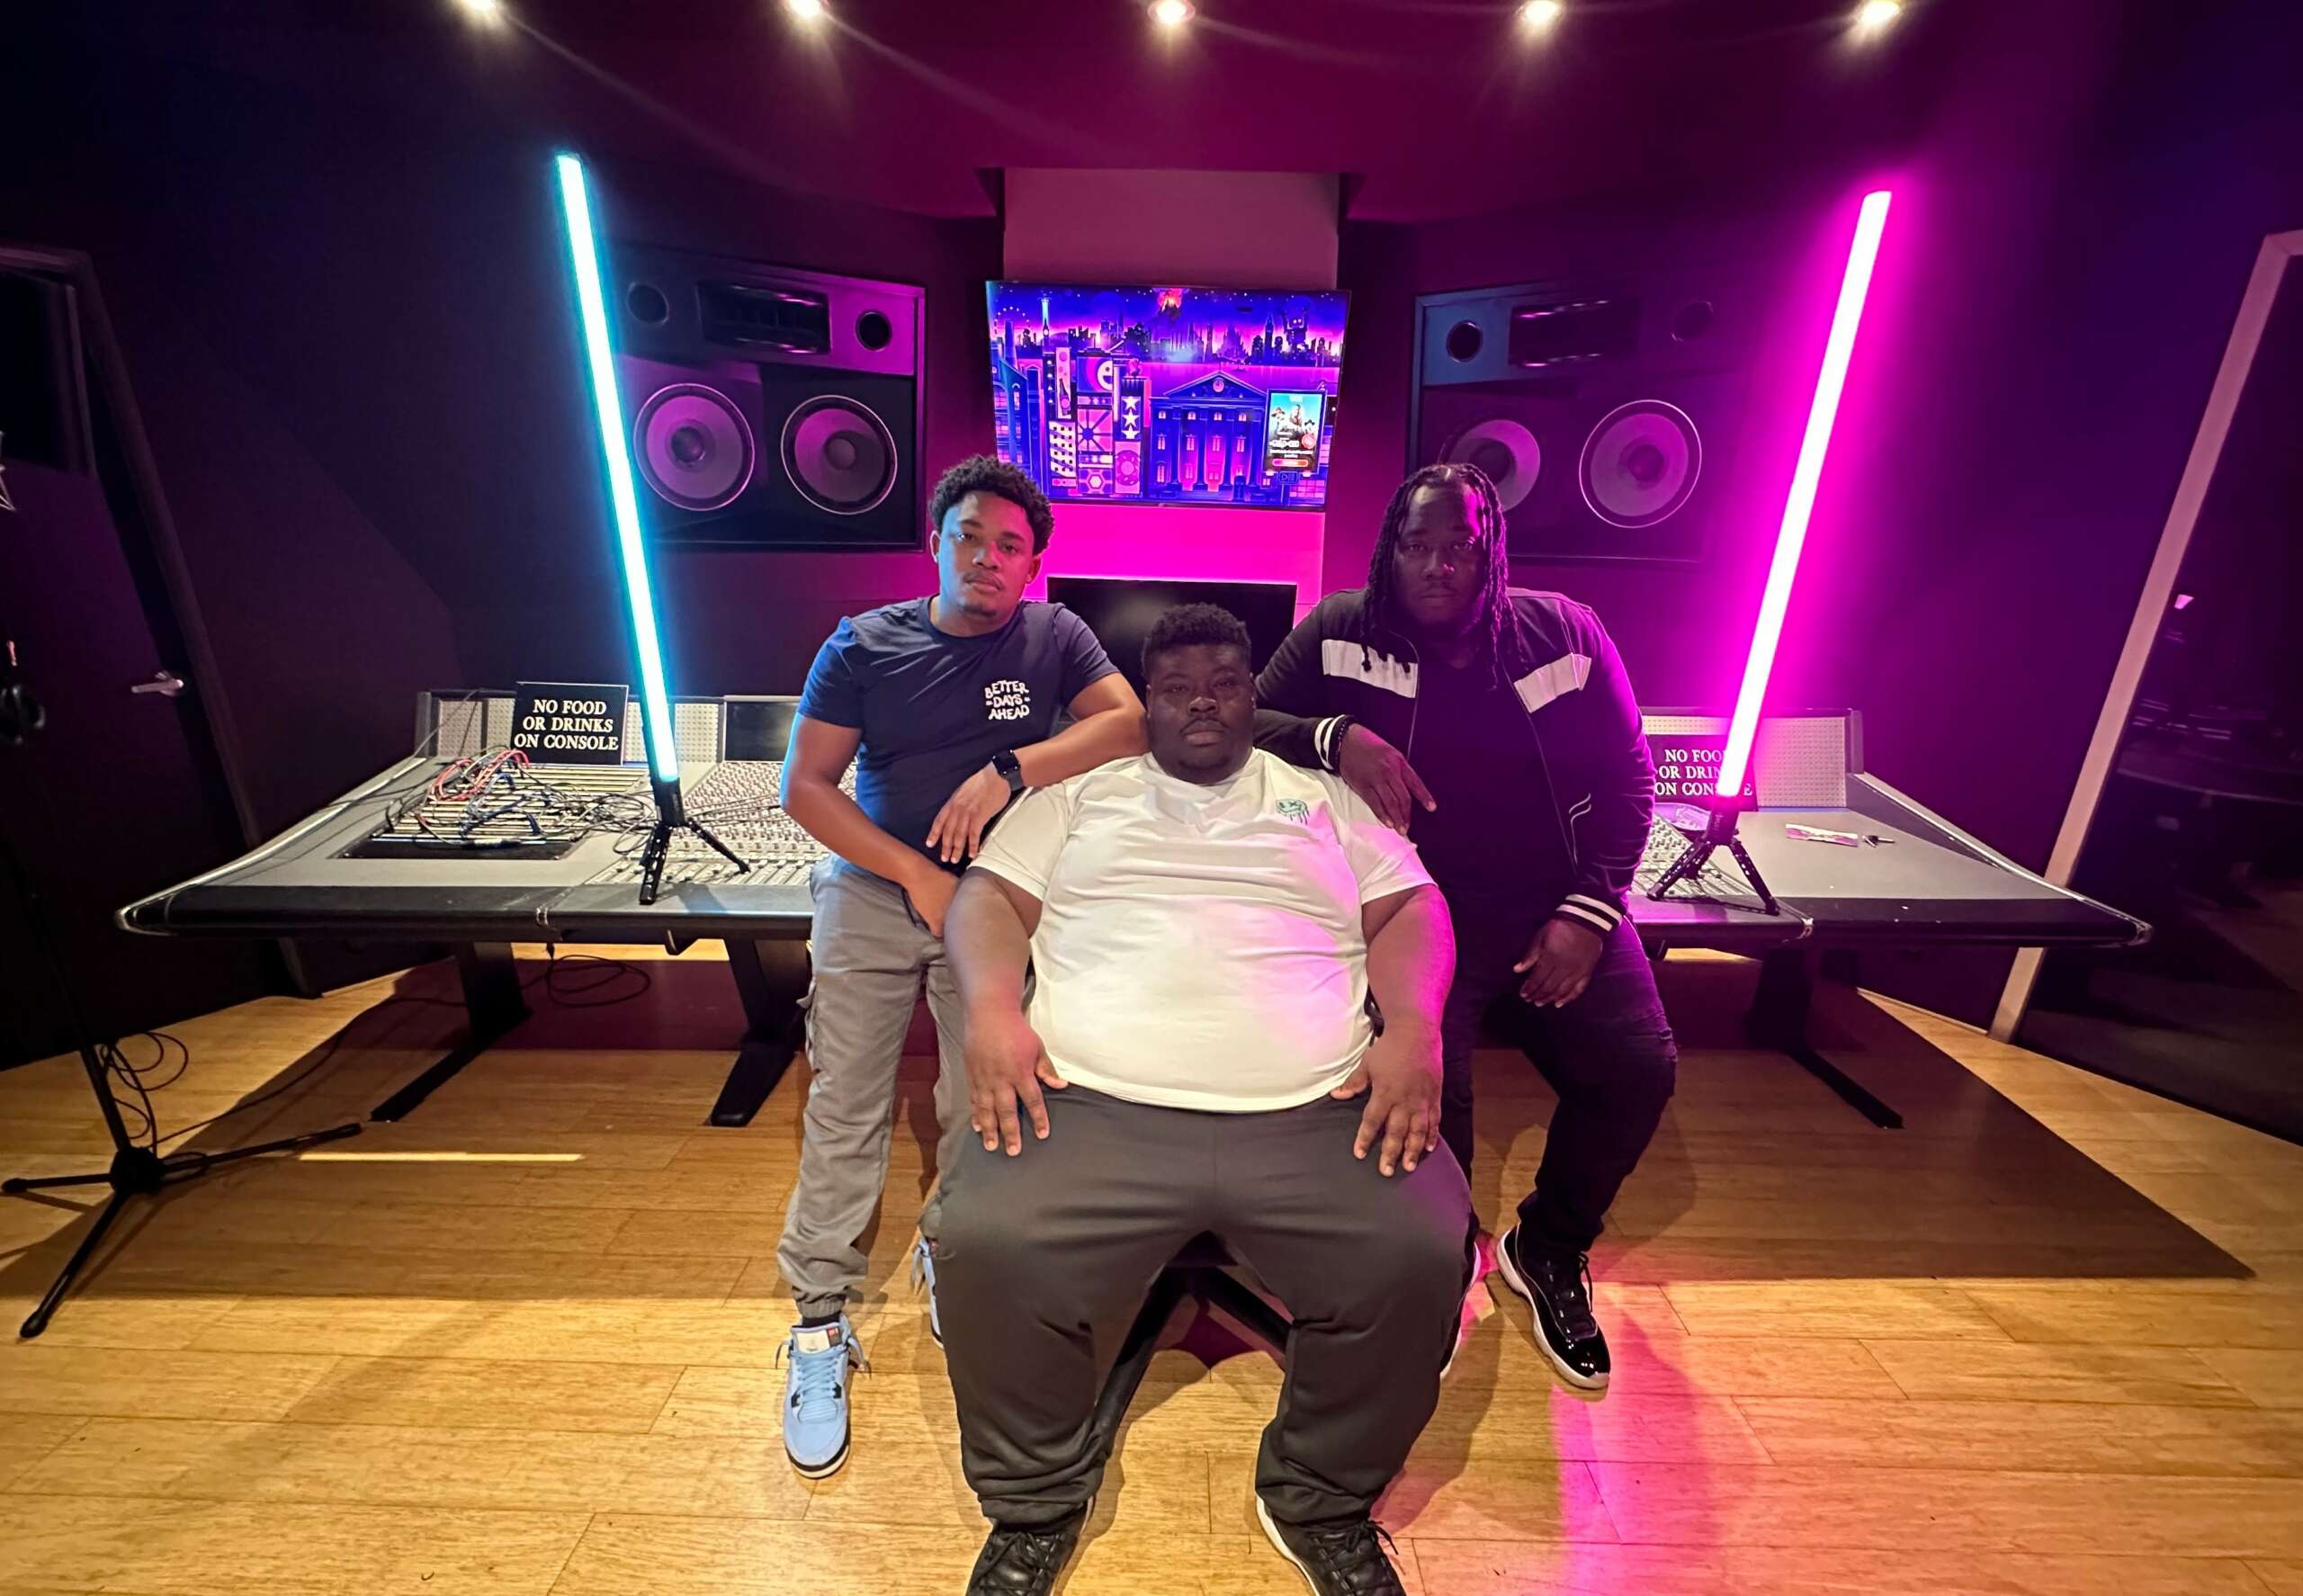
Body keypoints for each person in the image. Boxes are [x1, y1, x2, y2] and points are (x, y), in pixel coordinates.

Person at [936, 604, 1470, 1596]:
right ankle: (1035, 1504)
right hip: (1089, 1101)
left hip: (1314, 1105)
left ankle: (1319, 1497)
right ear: (1146, 703)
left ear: (1253, 694)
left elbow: (1412, 906)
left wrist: (1414, 1029)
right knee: (982, 1238)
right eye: (1176, 689)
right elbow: (988, 899)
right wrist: (992, 1014)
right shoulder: (1076, 798)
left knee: (1419, 1245)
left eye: (1224, 684)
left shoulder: (1323, 800)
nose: (1201, 705)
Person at [1253, 461, 1676, 1392]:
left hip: (1555, 904)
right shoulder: (1341, 629)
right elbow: (1245, 716)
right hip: (1412, 909)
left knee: (1637, 1068)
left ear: (1492, 553)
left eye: (1460, 546)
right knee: (1431, 1097)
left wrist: (1589, 913)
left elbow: (1629, 779)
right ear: (1390, 550)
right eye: (1418, 545)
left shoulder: (1565, 633)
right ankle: (1442, 1268)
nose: (1439, 565)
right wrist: (1335, 737)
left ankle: (1547, 1246)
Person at [775, 454, 1144, 1479]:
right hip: (872, 887)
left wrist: (1007, 771)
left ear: (1032, 564)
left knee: (977, 1098)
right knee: (846, 1100)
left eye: (1009, 545)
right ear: (936, 543)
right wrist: (914, 874)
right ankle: (819, 1316)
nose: (987, 557)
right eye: (969, 536)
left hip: (989, 898)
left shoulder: (1054, 635)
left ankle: (951, 1251)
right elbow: (804, 787)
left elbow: (1128, 723)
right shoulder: (863, 644)